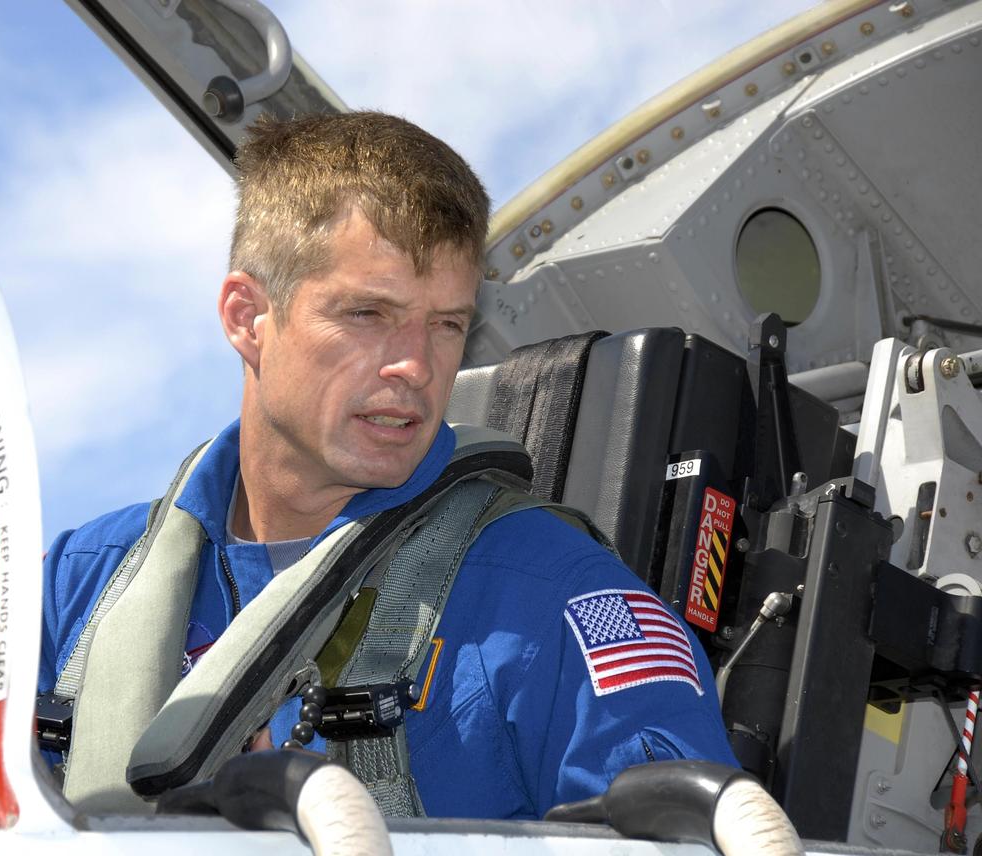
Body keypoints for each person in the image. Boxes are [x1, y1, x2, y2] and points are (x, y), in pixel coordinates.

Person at [39, 111, 737, 819]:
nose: (416, 367)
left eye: (446, 324)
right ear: (248, 317)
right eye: (368, 314)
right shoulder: (75, 587)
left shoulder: (557, 597)